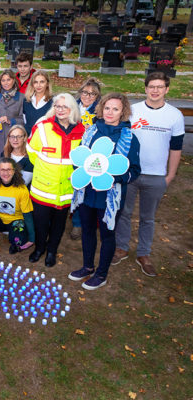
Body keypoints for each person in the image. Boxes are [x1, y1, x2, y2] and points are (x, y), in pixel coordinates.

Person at [113, 72, 185, 277]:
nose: (155, 90)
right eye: (151, 86)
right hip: (131, 173)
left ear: (167, 89)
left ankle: (144, 253)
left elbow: (176, 148)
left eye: (160, 87)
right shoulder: (132, 111)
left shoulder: (174, 115)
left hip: (156, 176)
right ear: (145, 89)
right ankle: (122, 247)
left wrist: (169, 175)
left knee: (148, 217)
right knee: (124, 213)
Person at [68, 93, 141, 290]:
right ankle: (87, 266)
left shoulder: (128, 137)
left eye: (115, 109)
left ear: (123, 112)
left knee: (107, 235)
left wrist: (111, 178)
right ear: (101, 108)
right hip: (87, 192)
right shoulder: (91, 131)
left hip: (109, 196)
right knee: (88, 230)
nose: (110, 112)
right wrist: (80, 172)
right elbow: (81, 158)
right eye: (107, 108)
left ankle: (102, 274)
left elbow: (134, 170)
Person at [26, 93, 85, 267]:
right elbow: (31, 151)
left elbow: (84, 160)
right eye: (57, 106)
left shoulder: (83, 132)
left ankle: (51, 251)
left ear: (72, 109)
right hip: (43, 187)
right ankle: (40, 248)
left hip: (66, 189)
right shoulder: (42, 127)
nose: (60, 110)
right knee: (41, 223)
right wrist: (45, 171)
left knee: (59, 224)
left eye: (65, 107)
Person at [70, 78, 102, 240]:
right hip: (69, 149)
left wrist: (93, 130)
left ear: (97, 96)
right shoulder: (71, 105)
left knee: (80, 186)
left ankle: (78, 223)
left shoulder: (100, 112)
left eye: (92, 94)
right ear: (80, 92)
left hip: (87, 154)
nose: (88, 96)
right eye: (85, 92)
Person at [0, 69, 25, 162]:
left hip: (13, 139)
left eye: (8, 80)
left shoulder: (21, 98)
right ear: (0, 82)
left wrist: (10, 120)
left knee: (10, 167)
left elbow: (23, 119)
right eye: (3, 80)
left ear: (14, 80)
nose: (6, 83)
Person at [23, 70, 52, 135]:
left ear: (47, 84)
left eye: (42, 82)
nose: (38, 85)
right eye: (35, 82)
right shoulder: (26, 101)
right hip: (28, 140)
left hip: (45, 141)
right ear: (32, 84)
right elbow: (25, 122)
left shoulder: (53, 103)